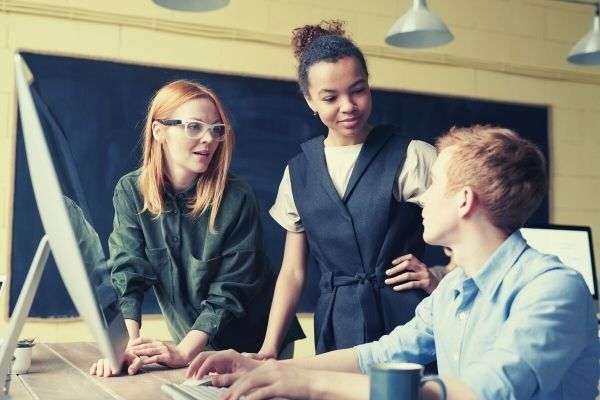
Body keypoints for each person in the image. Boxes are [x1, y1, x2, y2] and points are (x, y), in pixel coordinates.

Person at [187, 125, 600, 400]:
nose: (424, 195)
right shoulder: (455, 289)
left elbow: (482, 392)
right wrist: (265, 365)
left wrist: (307, 383)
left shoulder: (552, 288)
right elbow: (382, 354)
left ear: (464, 200)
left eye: (435, 182)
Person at [89, 79, 303, 377]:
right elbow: (129, 271)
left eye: (216, 129)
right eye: (194, 127)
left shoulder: (237, 197)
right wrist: (124, 347)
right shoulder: (130, 191)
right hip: (189, 345)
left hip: (254, 346)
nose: (209, 139)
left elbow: (230, 290)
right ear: (158, 130)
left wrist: (183, 351)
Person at [256, 20, 439, 359]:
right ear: (310, 100)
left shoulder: (413, 155)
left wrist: (437, 276)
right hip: (336, 324)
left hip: (408, 319)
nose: (348, 106)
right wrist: (269, 348)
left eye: (358, 90)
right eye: (330, 97)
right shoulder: (298, 172)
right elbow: (294, 273)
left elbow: (475, 234)